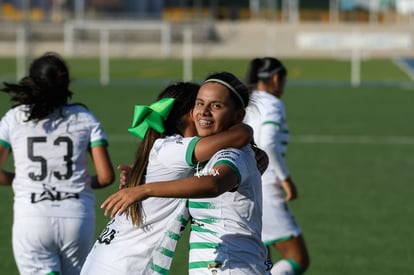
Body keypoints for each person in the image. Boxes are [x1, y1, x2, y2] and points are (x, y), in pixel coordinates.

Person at [102, 72, 272, 274]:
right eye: (199, 104)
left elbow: (213, 184)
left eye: (216, 106)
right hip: (220, 266)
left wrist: (145, 189)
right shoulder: (202, 155)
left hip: (231, 266)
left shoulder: (231, 153)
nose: (204, 112)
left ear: (238, 115)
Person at [0, 52, 115, 275]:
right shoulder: (84, 117)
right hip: (77, 217)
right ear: (65, 83)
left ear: (32, 82)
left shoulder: (15, 117)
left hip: (32, 216)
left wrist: (21, 179)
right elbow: (105, 177)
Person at [243, 57, 310, 275]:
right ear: (275, 79)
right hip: (266, 187)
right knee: (298, 259)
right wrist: (286, 179)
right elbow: (268, 144)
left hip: (244, 185)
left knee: (263, 262)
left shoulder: (247, 101)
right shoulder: (272, 103)